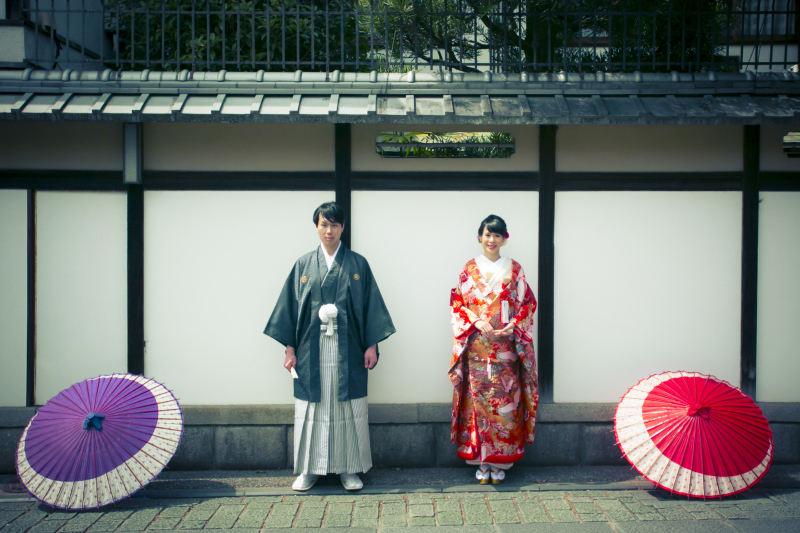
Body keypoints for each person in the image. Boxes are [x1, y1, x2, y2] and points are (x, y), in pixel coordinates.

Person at [264, 201, 395, 492]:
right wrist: (289, 349)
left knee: (347, 409)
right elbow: (290, 309)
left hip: (349, 349)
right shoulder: (303, 265)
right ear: (316, 227)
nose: (329, 230)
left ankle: (349, 469)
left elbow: (371, 306)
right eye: (324, 224)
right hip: (311, 351)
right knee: (313, 408)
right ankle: (309, 470)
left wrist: (372, 345)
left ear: (343, 227)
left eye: (335, 224)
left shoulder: (358, 264)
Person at [448, 214, 539, 484]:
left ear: (505, 238)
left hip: (506, 347)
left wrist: (514, 325)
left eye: (497, 235)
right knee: (477, 400)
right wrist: (475, 320)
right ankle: (480, 460)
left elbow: (527, 304)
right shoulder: (468, 269)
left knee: (506, 399)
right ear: (480, 236)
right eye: (487, 234)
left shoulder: (515, 269)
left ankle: (502, 461)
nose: (491, 240)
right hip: (476, 345)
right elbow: (457, 304)